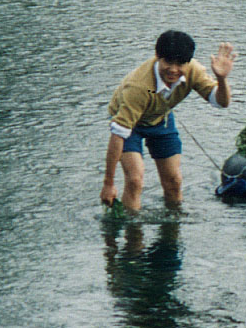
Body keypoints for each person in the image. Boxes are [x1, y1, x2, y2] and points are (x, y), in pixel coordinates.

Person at [101, 30, 236, 212]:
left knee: (174, 181)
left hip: (160, 117)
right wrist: (108, 183)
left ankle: (173, 228)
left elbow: (221, 103)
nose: (173, 70)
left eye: (180, 63)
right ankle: (133, 234)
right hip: (130, 124)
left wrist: (221, 79)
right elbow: (118, 134)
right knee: (135, 180)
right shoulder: (138, 87)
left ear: (188, 62)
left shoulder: (193, 70)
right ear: (158, 57)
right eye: (168, 62)